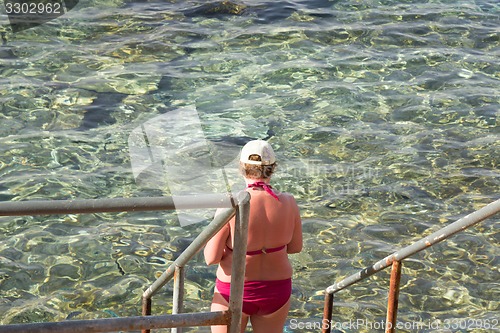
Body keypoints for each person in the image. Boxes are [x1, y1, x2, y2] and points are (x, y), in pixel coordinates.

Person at [204, 139, 303, 333]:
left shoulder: (232, 204)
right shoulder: (289, 202)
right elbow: (295, 247)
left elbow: (211, 258)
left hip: (233, 290)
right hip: (276, 291)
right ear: (273, 168)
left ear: (242, 167)